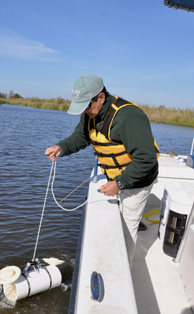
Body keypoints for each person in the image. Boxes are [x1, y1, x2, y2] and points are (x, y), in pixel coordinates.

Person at [45, 74, 159, 262]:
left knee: (126, 230)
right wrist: (61, 148)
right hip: (115, 176)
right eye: (81, 107)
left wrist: (120, 182)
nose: (84, 112)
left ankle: (123, 272)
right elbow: (81, 137)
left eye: (86, 106)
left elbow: (146, 159)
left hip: (138, 180)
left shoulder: (129, 117)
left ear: (101, 98)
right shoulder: (90, 113)